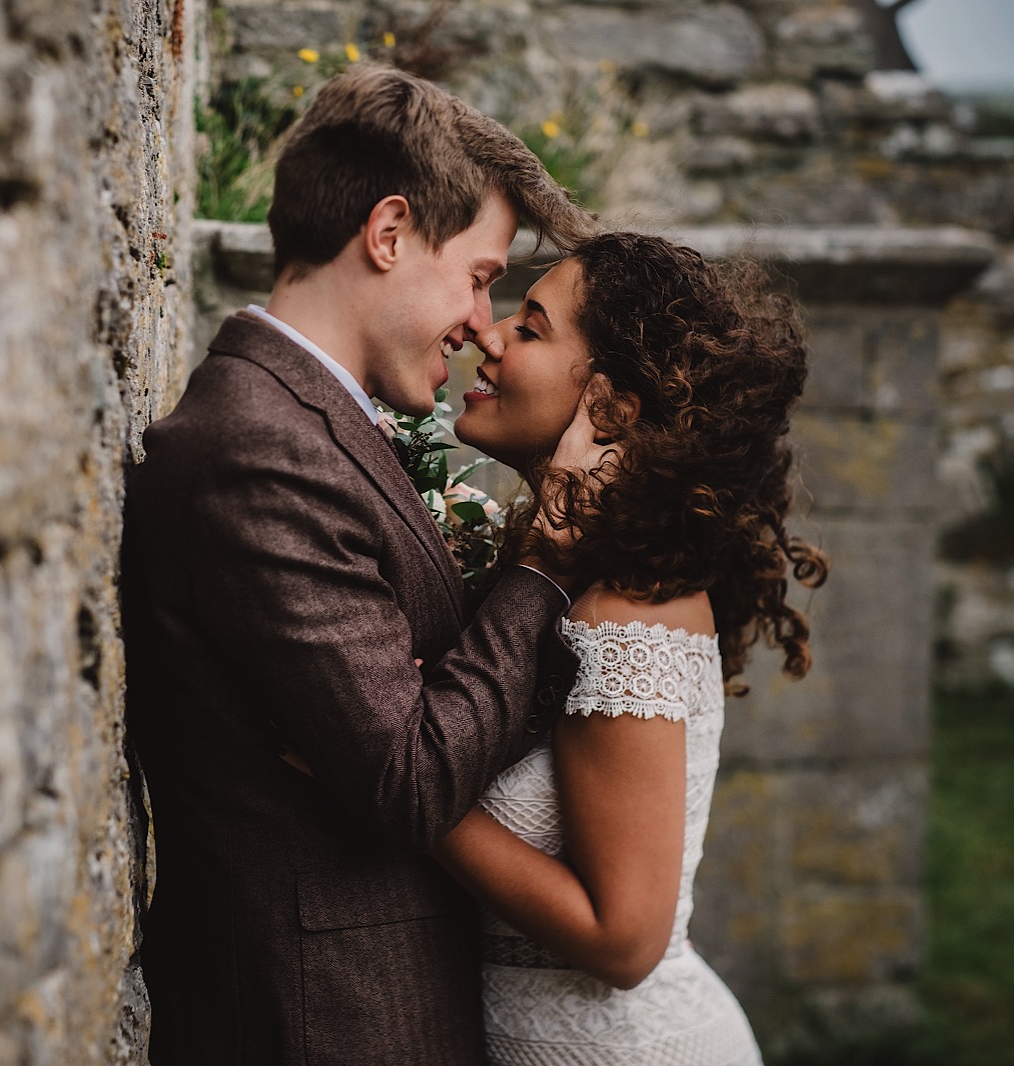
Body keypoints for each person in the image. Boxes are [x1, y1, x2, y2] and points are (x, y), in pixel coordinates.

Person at [122, 64, 598, 1065]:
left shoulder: (313, 424)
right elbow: (412, 776)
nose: (480, 322)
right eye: (477, 276)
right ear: (387, 235)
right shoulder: (261, 449)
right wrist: (544, 566)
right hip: (328, 1022)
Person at [435, 232, 828, 1065]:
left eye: (532, 327)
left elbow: (626, 942)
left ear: (612, 408)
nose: (489, 334)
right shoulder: (563, 578)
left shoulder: (629, 619)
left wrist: (391, 783)